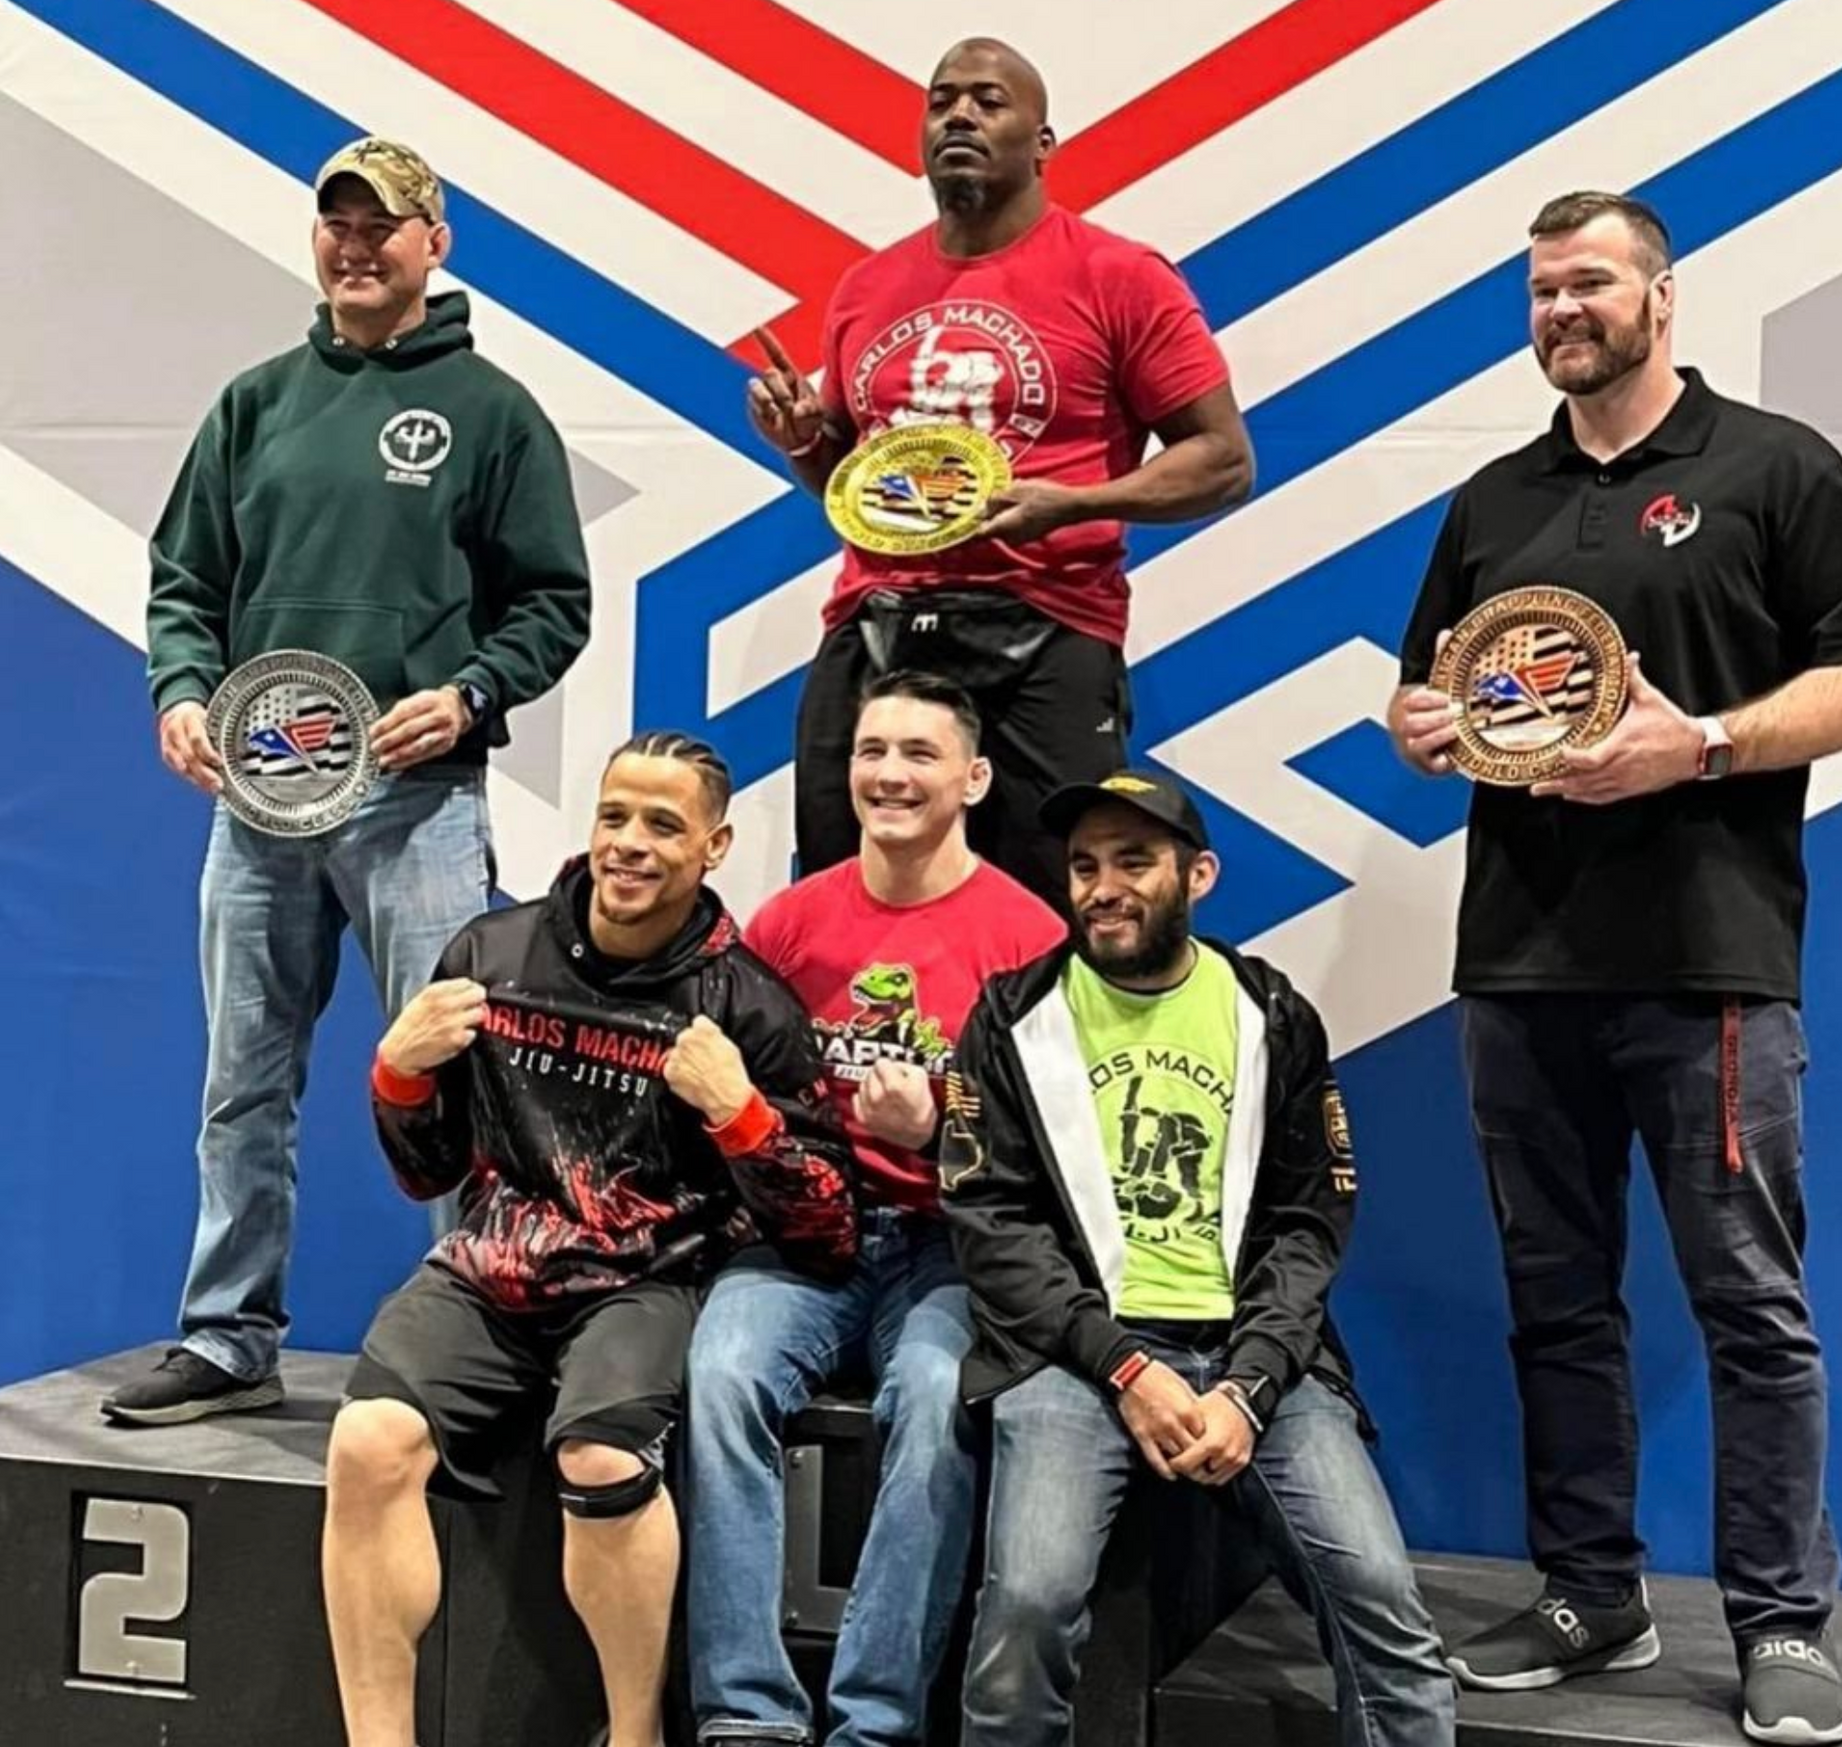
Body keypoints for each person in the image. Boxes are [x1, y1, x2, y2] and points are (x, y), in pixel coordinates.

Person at [1388, 190, 1842, 1745]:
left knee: (1750, 1302)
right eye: (1545, 289)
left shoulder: (1773, 466)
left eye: (1591, 282)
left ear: (1662, 296)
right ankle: (1589, 1592)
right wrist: (1423, 728)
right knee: (1556, 1300)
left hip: (1713, 965)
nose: (1565, 310)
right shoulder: (1496, 500)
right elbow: (1433, 693)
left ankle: (1779, 1621)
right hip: (1520, 964)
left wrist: (1706, 743)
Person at [106, 136, 592, 1427]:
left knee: (454, 1073)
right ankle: (225, 1333)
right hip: (263, 797)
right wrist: (181, 690)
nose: (357, 243)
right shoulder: (255, 403)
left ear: (437, 241)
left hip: (418, 801)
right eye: (336, 221)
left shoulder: (491, 412)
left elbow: (553, 602)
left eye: (385, 222)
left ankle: (481, 1335)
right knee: (241, 1080)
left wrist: (475, 690)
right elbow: (184, 584)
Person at [322, 732, 857, 1747]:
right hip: (493, 1271)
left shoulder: (746, 1005)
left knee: (605, 1460)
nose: (630, 843)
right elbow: (426, 1172)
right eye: (616, 816)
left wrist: (743, 1116)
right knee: (366, 1441)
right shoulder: (491, 954)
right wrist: (396, 1075)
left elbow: (828, 1230)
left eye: (664, 824)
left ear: (715, 846)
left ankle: (634, 1731)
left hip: (645, 1283)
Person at [940, 770, 1455, 1747]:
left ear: (1199, 875)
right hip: (1074, 1360)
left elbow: (1310, 1221)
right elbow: (991, 1222)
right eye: (1085, 865)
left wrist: (1254, 1385)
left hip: (1252, 1359)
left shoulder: (1271, 1014)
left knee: (1384, 1601)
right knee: (1027, 1610)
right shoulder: (1012, 1017)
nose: (1102, 886)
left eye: (1135, 861)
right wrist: (1124, 1366)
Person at [748, 36, 1253, 906]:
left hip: (1047, 625)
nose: (959, 117)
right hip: (877, 621)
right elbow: (855, 491)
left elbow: (1224, 460)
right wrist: (805, 441)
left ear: (1042, 141)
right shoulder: (869, 286)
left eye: (988, 101)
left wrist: (1074, 505)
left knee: (1053, 914)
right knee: (844, 896)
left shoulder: (1119, 276)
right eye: (942, 100)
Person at [686, 669, 1064, 1747]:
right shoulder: (789, 925)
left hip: (953, 1248)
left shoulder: (1026, 939)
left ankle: (875, 1722)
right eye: (871, 752)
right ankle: (746, 1715)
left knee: (939, 1403)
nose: (890, 774)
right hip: (807, 1238)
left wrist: (938, 1134)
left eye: (919, 753)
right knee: (720, 1378)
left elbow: (1052, 1157)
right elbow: (741, 1097)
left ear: (975, 778)